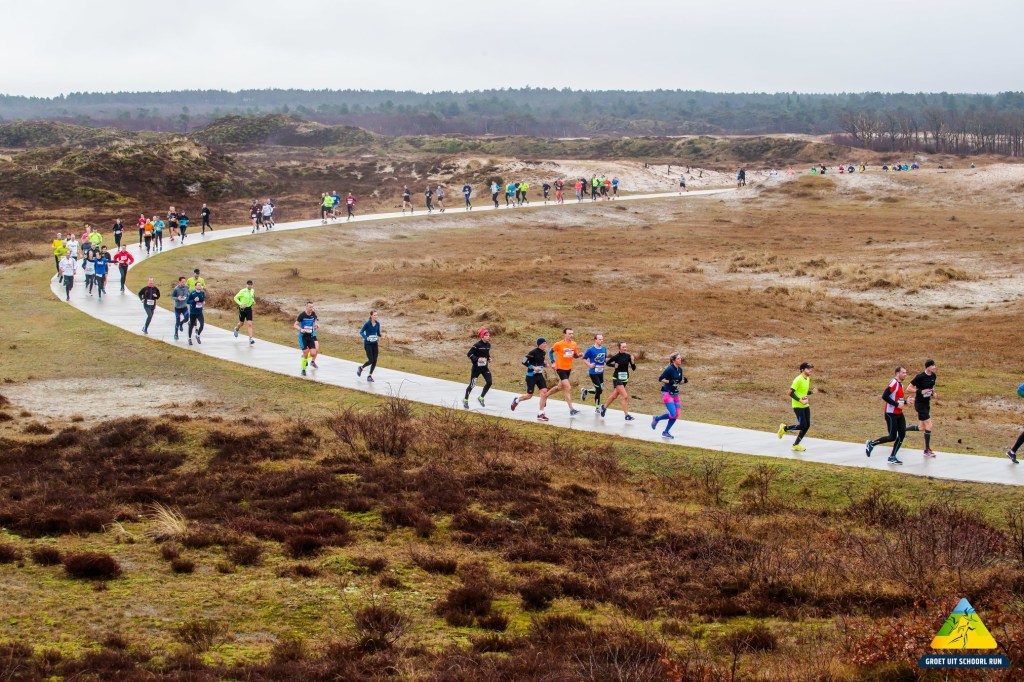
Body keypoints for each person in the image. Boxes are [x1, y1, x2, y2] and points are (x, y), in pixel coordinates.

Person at [865, 366, 909, 465]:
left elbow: (899, 400)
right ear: (897, 373)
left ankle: (892, 457)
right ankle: (871, 444)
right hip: (891, 414)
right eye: (903, 372)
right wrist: (897, 404)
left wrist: (906, 402)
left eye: (906, 373)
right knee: (892, 437)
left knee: (902, 434)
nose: (905, 374)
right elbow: (885, 396)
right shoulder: (894, 383)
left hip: (899, 414)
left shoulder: (900, 385)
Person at [546, 328, 583, 416]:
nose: (571, 335)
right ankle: (571, 410)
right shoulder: (559, 344)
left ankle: (545, 395)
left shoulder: (574, 344)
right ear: (564, 334)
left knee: (559, 387)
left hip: (568, 369)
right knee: (568, 387)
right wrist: (553, 362)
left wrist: (579, 355)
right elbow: (550, 352)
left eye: (572, 333)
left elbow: (575, 355)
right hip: (560, 369)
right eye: (569, 333)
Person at [511, 338, 551, 421]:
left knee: (544, 393)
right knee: (529, 396)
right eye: (544, 343)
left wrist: (545, 364)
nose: (545, 345)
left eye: (546, 343)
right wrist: (533, 367)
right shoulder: (533, 352)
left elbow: (539, 362)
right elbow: (523, 361)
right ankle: (517, 400)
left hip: (539, 376)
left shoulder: (543, 353)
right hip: (531, 376)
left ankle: (541, 414)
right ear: (539, 344)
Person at [777, 362, 813, 451]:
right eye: (808, 369)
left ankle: (796, 445)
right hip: (797, 406)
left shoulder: (807, 379)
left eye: (811, 368)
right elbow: (790, 392)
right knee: (802, 425)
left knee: (807, 425)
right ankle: (784, 428)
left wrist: (812, 392)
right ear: (802, 370)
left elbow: (804, 392)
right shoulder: (798, 379)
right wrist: (799, 400)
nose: (810, 370)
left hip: (805, 405)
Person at [907, 359, 938, 457]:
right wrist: (920, 391)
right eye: (932, 365)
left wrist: (933, 393)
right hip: (919, 404)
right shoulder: (920, 377)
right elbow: (909, 388)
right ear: (927, 367)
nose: (934, 367)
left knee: (921, 427)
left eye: (934, 365)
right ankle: (927, 450)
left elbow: (932, 388)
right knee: (929, 424)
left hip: (926, 404)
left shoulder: (933, 376)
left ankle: (901, 429)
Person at [652, 353, 687, 439]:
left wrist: (684, 381)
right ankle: (657, 419)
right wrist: (669, 382)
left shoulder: (680, 369)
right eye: (678, 358)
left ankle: (666, 432)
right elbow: (660, 379)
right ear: (674, 360)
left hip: (674, 393)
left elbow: (677, 382)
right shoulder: (669, 369)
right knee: (673, 413)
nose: (680, 360)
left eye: (680, 358)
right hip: (667, 392)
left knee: (677, 414)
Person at [600, 342, 636, 420]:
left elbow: (633, 368)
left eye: (625, 347)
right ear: (619, 348)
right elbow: (607, 363)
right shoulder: (616, 357)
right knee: (625, 396)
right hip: (617, 378)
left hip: (625, 379)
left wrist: (632, 361)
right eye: (623, 347)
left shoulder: (628, 356)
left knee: (614, 396)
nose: (625, 348)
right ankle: (626, 415)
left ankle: (604, 407)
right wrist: (614, 365)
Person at [463, 328, 492, 408]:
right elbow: (469, 354)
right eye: (486, 335)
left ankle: (481, 397)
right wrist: (477, 359)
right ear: (482, 336)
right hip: (476, 369)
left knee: (489, 382)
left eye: (489, 335)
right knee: (472, 385)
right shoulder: (477, 345)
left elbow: (486, 354)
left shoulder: (488, 345)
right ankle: (465, 400)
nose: (488, 336)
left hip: (484, 368)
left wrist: (489, 358)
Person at [580, 334, 607, 412]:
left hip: (601, 372)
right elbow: (584, 358)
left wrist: (607, 362)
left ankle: (585, 391)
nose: (601, 341)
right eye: (599, 339)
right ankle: (597, 407)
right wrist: (589, 364)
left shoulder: (604, 348)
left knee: (601, 390)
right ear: (595, 340)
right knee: (598, 389)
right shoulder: (590, 350)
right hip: (593, 373)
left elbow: (604, 359)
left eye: (602, 339)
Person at [294, 302, 319, 376]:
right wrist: (300, 329)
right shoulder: (302, 315)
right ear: (306, 307)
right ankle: (303, 369)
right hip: (303, 336)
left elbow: (314, 322)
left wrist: (316, 325)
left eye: (312, 307)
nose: (311, 308)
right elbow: (295, 325)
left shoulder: (313, 314)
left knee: (313, 353)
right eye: (310, 307)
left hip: (310, 336)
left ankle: (304, 359)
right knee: (305, 352)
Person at [357, 310, 381, 383]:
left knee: (375, 360)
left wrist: (381, 335)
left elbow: (378, 333)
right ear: (371, 316)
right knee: (371, 360)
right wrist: (366, 337)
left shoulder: (378, 324)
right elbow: (361, 332)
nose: (376, 316)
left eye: (376, 315)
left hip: (375, 344)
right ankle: (361, 367)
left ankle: (369, 376)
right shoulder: (367, 323)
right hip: (368, 344)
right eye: (374, 315)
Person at [232, 280, 256, 345]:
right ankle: (236, 328)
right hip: (242, 309)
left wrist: (253, 301)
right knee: (241, 323)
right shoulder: (243, 291)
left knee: (250, 324)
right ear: (246, 285)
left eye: (251, 284)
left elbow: (252, 297)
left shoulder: (252, 290)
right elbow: (235, 298)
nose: (250, 286)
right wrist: (240, 304)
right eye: (248, 284)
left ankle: (250, 339)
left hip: (249, 309)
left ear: (252, 285)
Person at [171, 276, 190, 341]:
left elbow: (188, 294)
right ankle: (176, 334)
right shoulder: (176, 289)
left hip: (184, 306)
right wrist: (177, 298)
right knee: (177, 321)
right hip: (177, 308)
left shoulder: (187, 287)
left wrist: (187, 299)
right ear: (179, 282)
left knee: (187, 318)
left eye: (184, 282)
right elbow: (172, 297)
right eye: (182, 282)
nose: (184, 283)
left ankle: (181, 324)